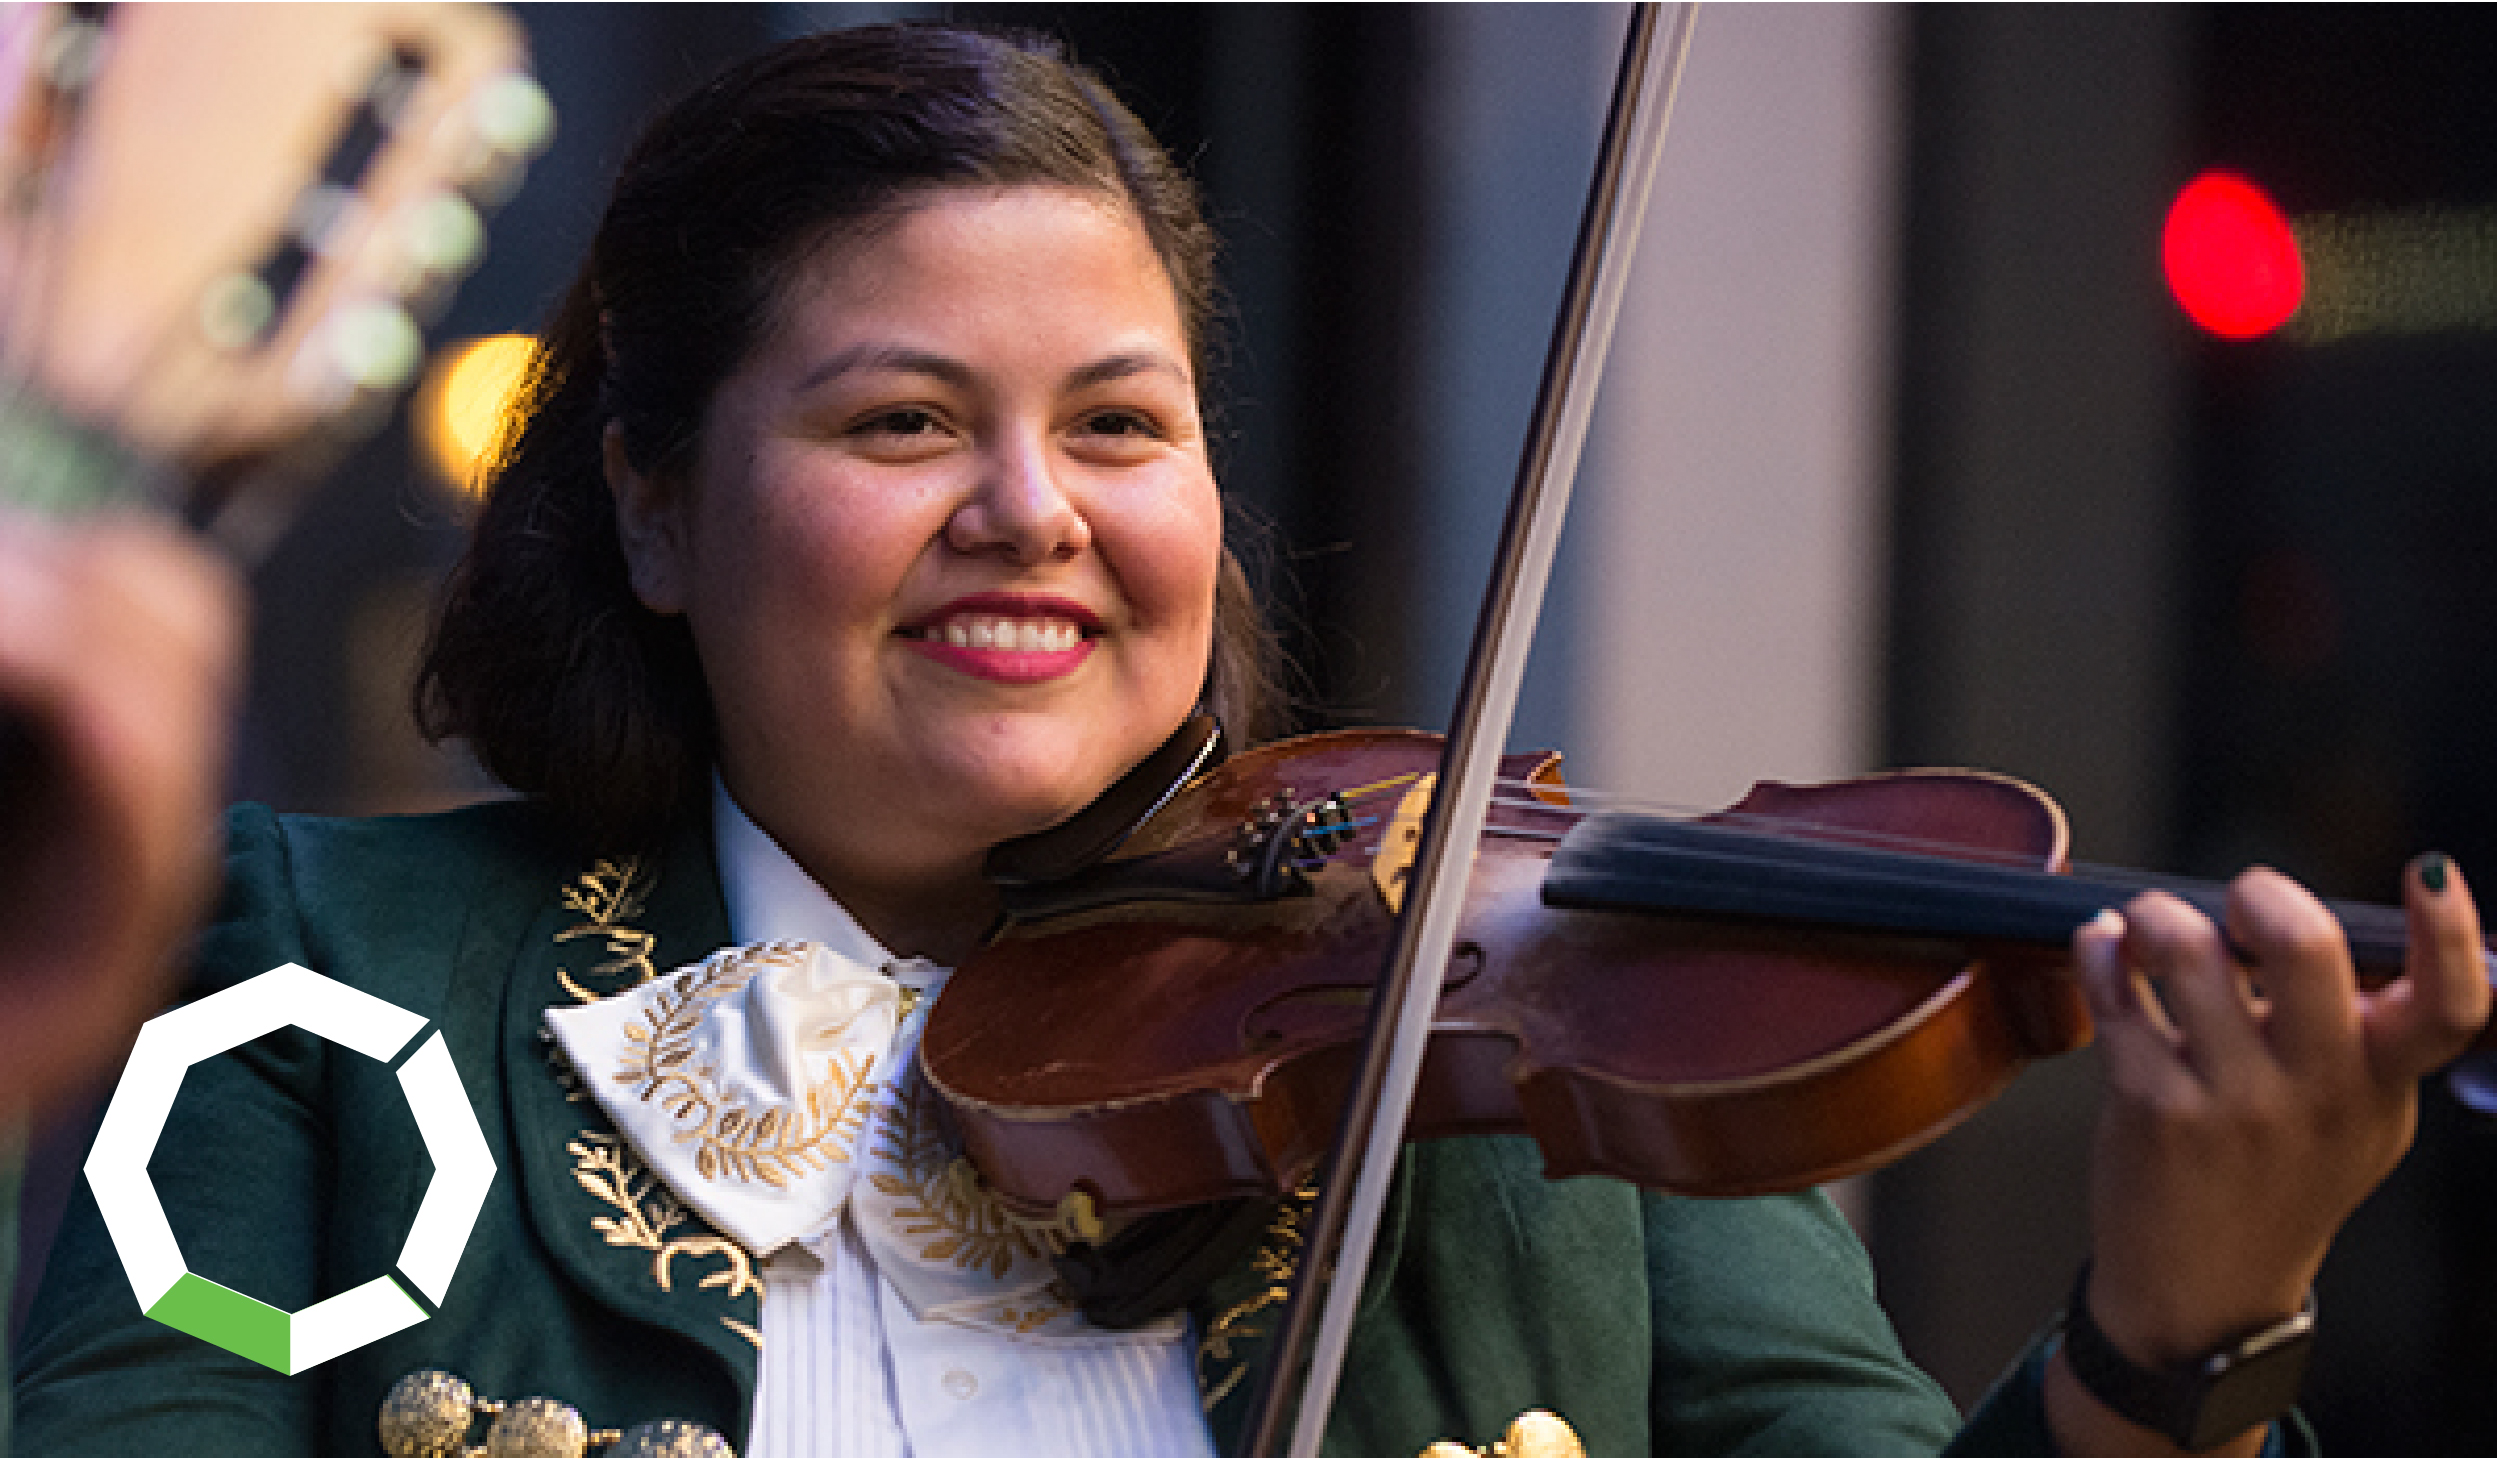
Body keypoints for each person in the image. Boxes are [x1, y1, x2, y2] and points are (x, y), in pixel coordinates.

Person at [11, 22, 2488, 1458]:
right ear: (651, 508)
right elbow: (166, 1388)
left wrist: (2186, 1326)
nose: (1029, 518)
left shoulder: (1517, 1063)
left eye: (1117, 425)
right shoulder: (303, 999)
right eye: (896, 425)